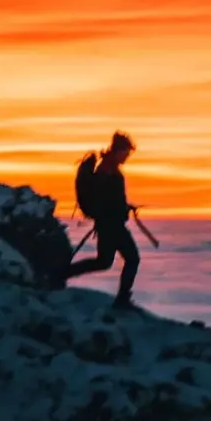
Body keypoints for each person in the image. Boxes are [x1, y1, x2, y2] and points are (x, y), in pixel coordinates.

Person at [66, 131, 143, 308]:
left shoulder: (109, 168)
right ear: (117, 150)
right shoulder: (107, 170)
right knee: (132, 259)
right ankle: (123, 300)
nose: (127, 156)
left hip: (108, 224)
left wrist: (124, 207)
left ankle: (60, 274)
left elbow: (110, 199)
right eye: (126, 152)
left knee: (103, 262)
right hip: (111, 225)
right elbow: (107, 200)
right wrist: (120, 209)